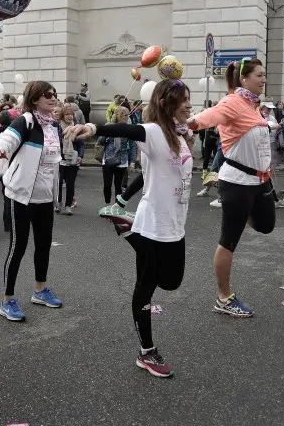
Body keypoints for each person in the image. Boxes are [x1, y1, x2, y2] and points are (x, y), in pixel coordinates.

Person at [66, 79, 193, 378]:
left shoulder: (181, 135)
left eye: (189, 98)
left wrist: (123, 199)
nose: (189, 104)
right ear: (167, 103)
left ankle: (126, 226)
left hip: (175, 223)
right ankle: (147, 351)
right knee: (146, 286)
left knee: (172, 282)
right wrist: (95, 129)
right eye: (183, 99)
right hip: (153, 224)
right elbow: (127, 129)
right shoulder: (153, 132)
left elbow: (151, 177)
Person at [187, 58, 275, 318]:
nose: (264, 79)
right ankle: (224, 297)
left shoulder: (252, 105)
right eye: (259, 75)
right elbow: (209, 116)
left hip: (259, 182)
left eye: (264, 74)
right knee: (229, 240)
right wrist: (189, 123)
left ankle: (241, 210)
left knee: (266, 225)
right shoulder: (233, 102)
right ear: (244, 79)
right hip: (236, 183)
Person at [0, 80, 63, 321]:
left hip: (45, 198)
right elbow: (4, 140)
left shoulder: (53, 127)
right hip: (20, 196)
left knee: (43, 246)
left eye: (53, 94)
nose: (52, 98)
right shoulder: (26, 121)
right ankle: (7, 300)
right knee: (18, 247)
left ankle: (40, 290)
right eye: (46, 95)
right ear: (34, 100)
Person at [99, 106, 137, 205]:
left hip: (122, 160)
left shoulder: (129, 128)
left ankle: (115, 207)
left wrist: (132, 161)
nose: (128, 117)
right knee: (107, 184)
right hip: (108, 158)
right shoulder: (109, 125)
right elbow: (100, 141)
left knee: (118, 185)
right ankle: (107, 204)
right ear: (119, 115)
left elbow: (133, 145)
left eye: (128, 115)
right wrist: (107, 133)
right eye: (126, 115)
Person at [56, 105, 81, 215]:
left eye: (71, 114)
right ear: (62, 116)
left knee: (70, 184)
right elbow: (56, 143)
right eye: (67, 114)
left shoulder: (77, 127)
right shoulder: (58, 127)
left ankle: (68, 205)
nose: (69, 116)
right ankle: (59, 203)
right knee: (59, 182)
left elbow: (81, 143)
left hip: (73, 158)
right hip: (61, 159)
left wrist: (80, 155)